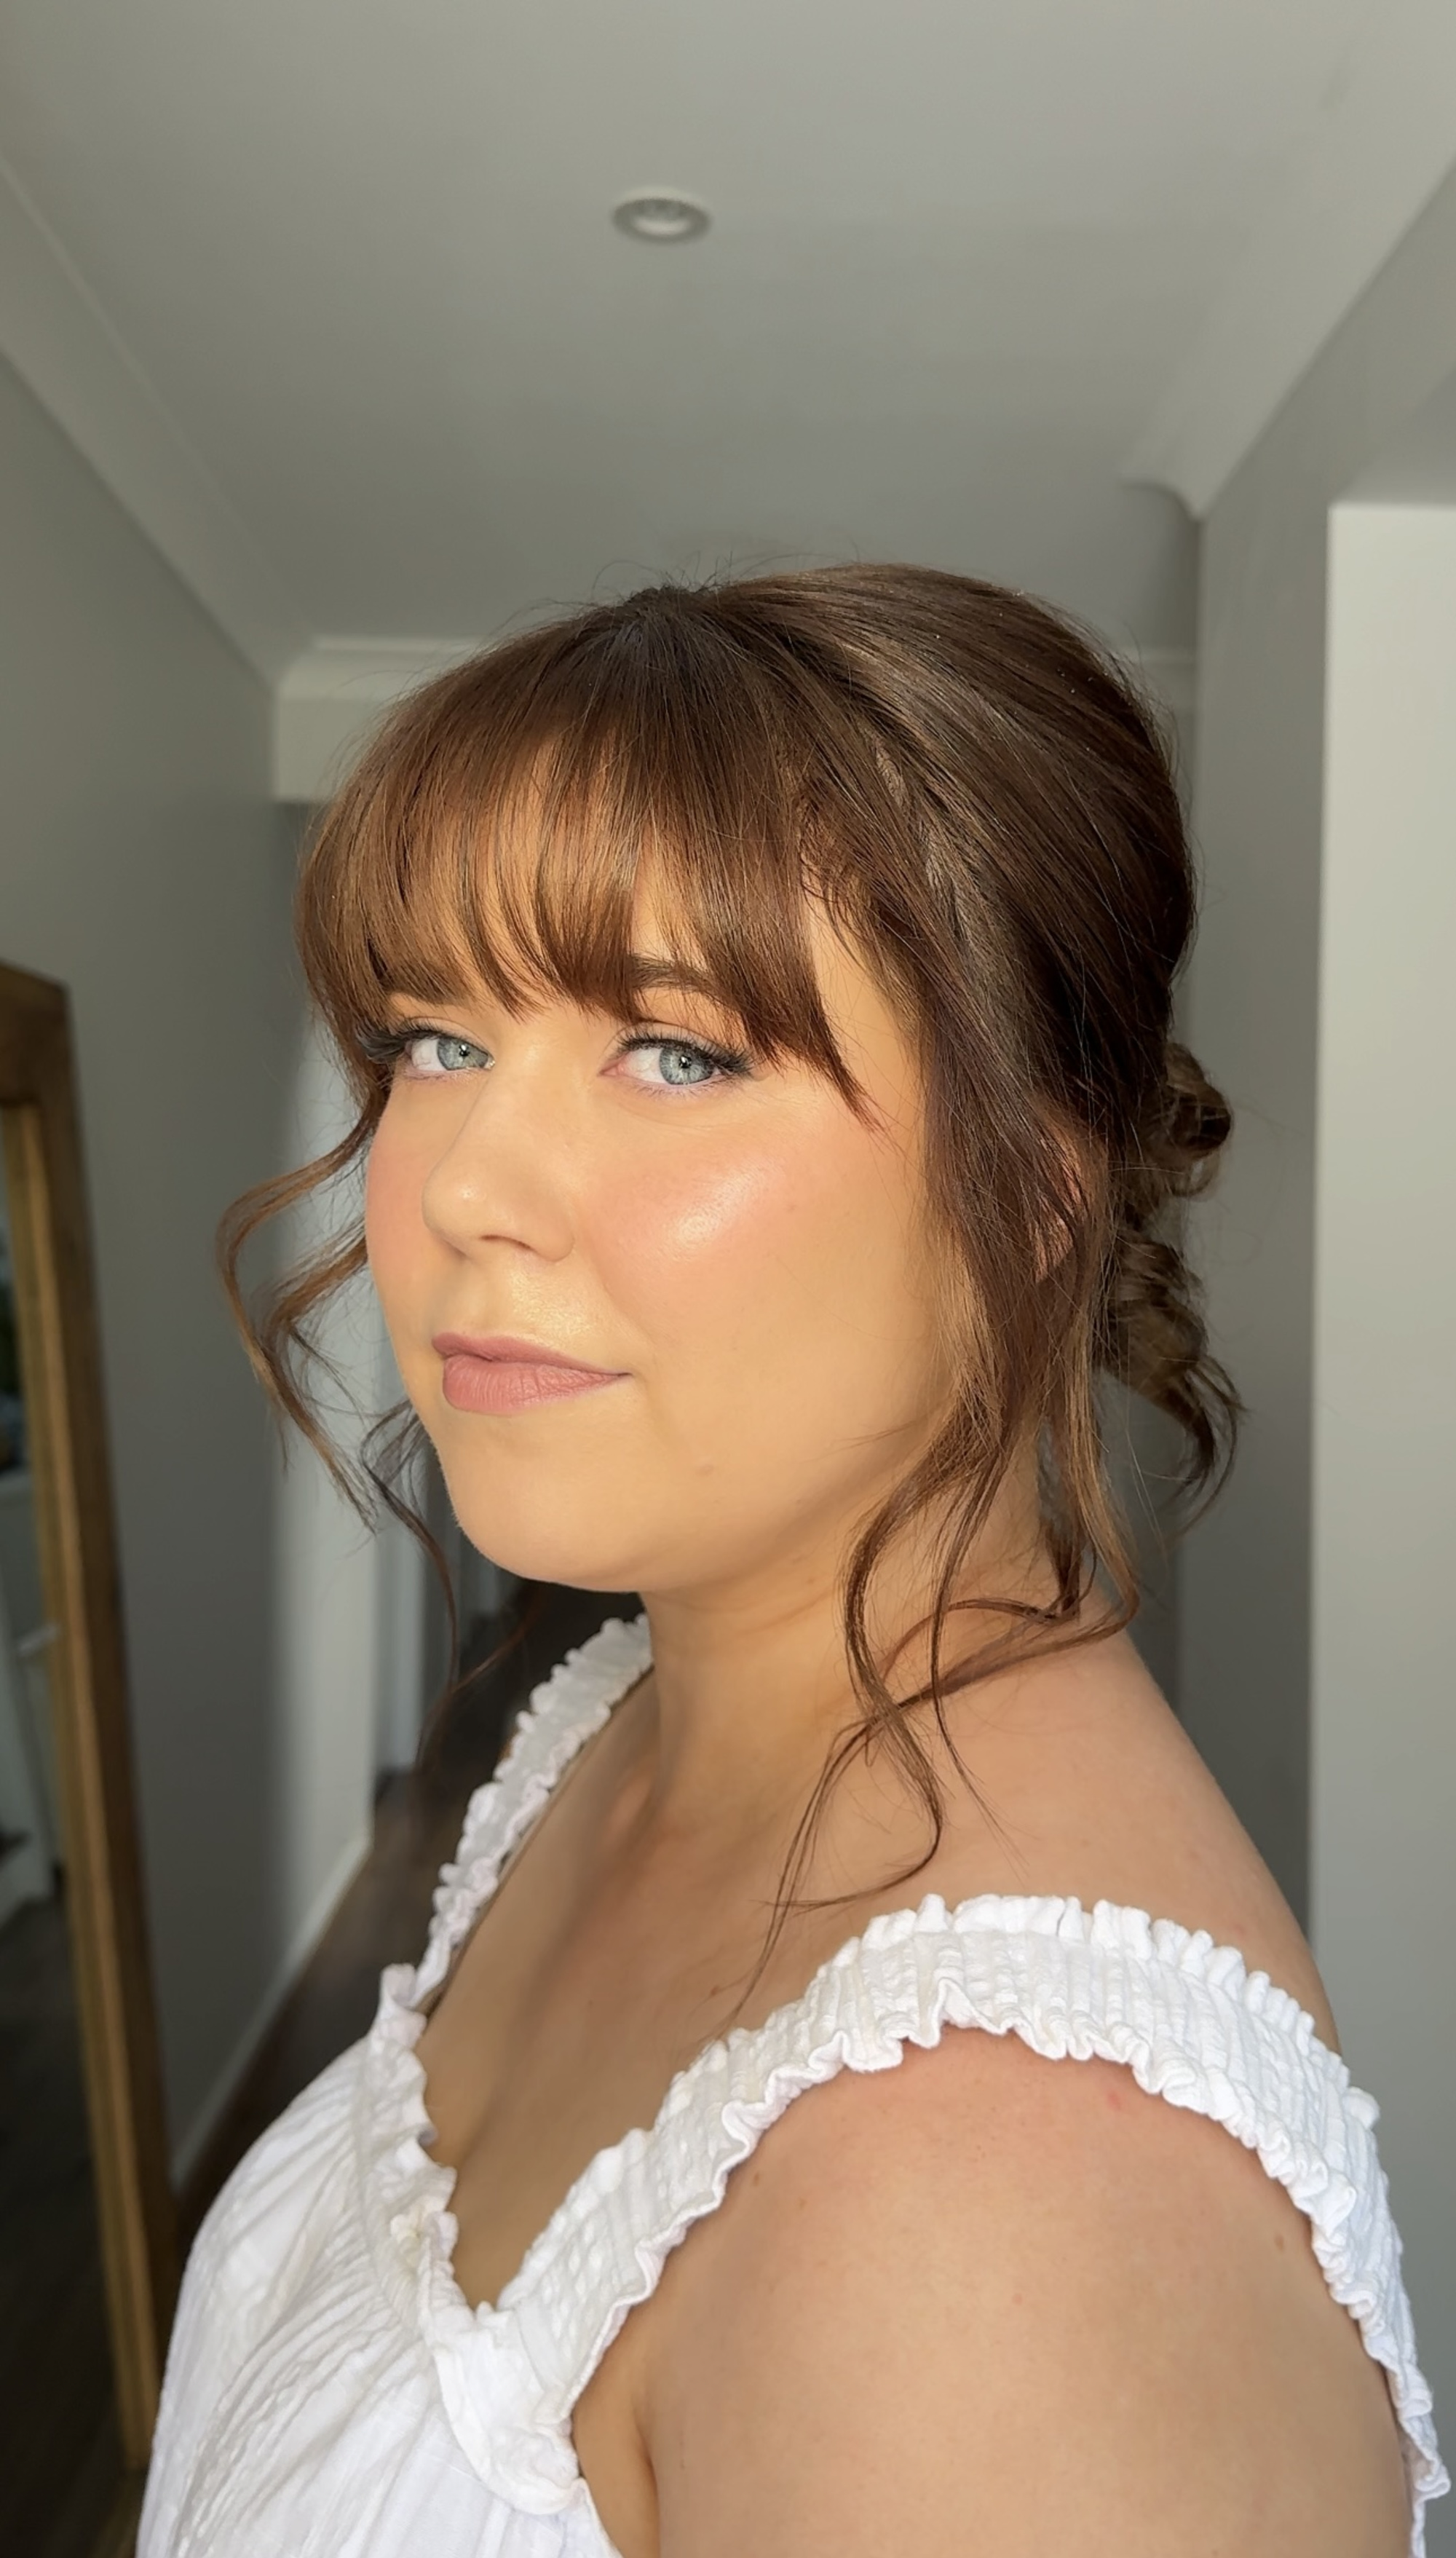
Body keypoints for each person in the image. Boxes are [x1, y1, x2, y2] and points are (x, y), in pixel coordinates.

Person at [140, 567, 1445, 2557]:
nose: (465, 1188)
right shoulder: (621, 1720)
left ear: (1032, 1179)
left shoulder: (995, 2230)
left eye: (676, 1052)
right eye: (433, 1036)